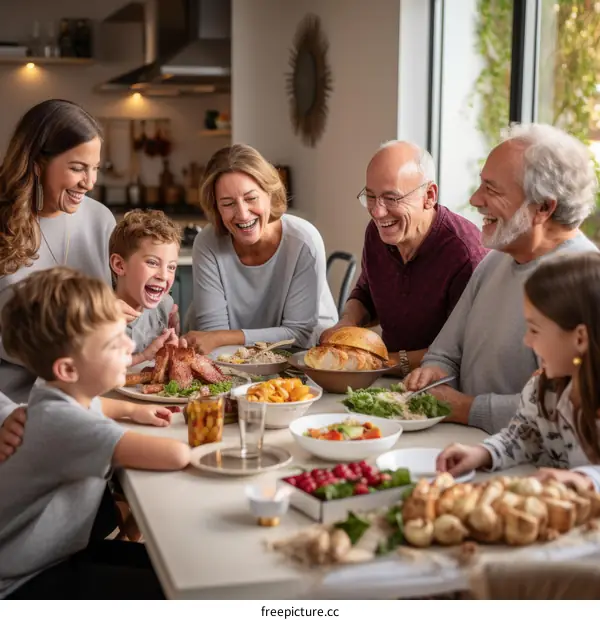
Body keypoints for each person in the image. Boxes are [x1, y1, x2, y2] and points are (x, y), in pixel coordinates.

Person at [0, 267, 190, 599]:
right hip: (25, 584)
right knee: (175, 592)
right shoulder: (69, 425)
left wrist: (132, 409)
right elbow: (176, 455)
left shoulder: (54, 393)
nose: (130, 344)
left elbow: (100, 407)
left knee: (177, 570)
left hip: (52, 558)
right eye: (114, 342)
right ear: (69, 369)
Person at [404, 123, 599, 433]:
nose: (475, 199)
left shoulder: (585, 283)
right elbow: (444, 353)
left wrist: (467, 410)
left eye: (492, 190)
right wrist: (433, 374)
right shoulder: (496, 259)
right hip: (464, 446)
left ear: (544, 207)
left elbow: (570, 407)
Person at [0, 99, 172, 426]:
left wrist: (158, 309)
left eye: (95, 169)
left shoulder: (99, 219)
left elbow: (124, 307)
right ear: (37, 163)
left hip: (97, 401)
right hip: (15, 407)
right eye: (78, 168)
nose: (89, 183)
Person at [436, 252, 600, 493]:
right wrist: (483, 453)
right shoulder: (541, 389)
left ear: (580, 338)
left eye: (534, 330)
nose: (527, 340)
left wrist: (584, 480)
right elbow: (523, 437)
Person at [320, 140, 488, 374]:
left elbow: (460, 350)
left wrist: (381, 362)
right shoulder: (377, 231)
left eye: (391, 198)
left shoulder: (465, 254)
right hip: (388, 379)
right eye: (370, 196)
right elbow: (367, 293)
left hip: (441, 385)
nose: (377, 212)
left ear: (429, 195)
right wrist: (346, 325)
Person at [184, 143, 338, 353]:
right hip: (232, 359)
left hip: (301, 355)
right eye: (228, 203)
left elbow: (299, 334)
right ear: (216, 208)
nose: (243, 214)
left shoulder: (303, 241)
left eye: (251, 198)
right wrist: (221, 338)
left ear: (270, 194)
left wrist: (224, 337)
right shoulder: (207, 243)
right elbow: (212, 334)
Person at [109, 208, 183, 366]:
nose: (163, 276)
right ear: (119, 265)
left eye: (171, 267)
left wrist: (173, 351)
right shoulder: (100, 316)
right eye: (152, 262)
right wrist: (144, 355)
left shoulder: (165, 306)